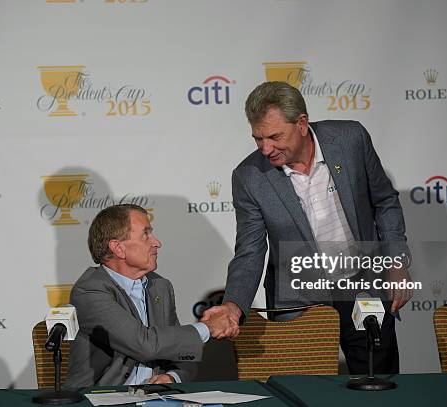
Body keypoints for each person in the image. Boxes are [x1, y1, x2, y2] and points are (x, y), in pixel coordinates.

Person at [202, 81, 412, 374]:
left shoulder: (351, 139)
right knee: (303, 390)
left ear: (302, 123)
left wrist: (396, 261)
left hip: (362, 286)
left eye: (275, 136)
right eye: (258, 138)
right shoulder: (249, 177)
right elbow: (249, 250)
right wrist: (234, 305)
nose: (266, 148)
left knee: (377, 381)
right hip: (298, 299)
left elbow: (385, 201)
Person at [65, 204, 234, 387]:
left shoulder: (159, 286)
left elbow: (181, 350)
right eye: (146, 234)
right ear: (118, 248)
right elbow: (144, 344)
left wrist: (172, 377)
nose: (157, 242)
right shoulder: (90, 291)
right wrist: (207, 328)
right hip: (101, 398)